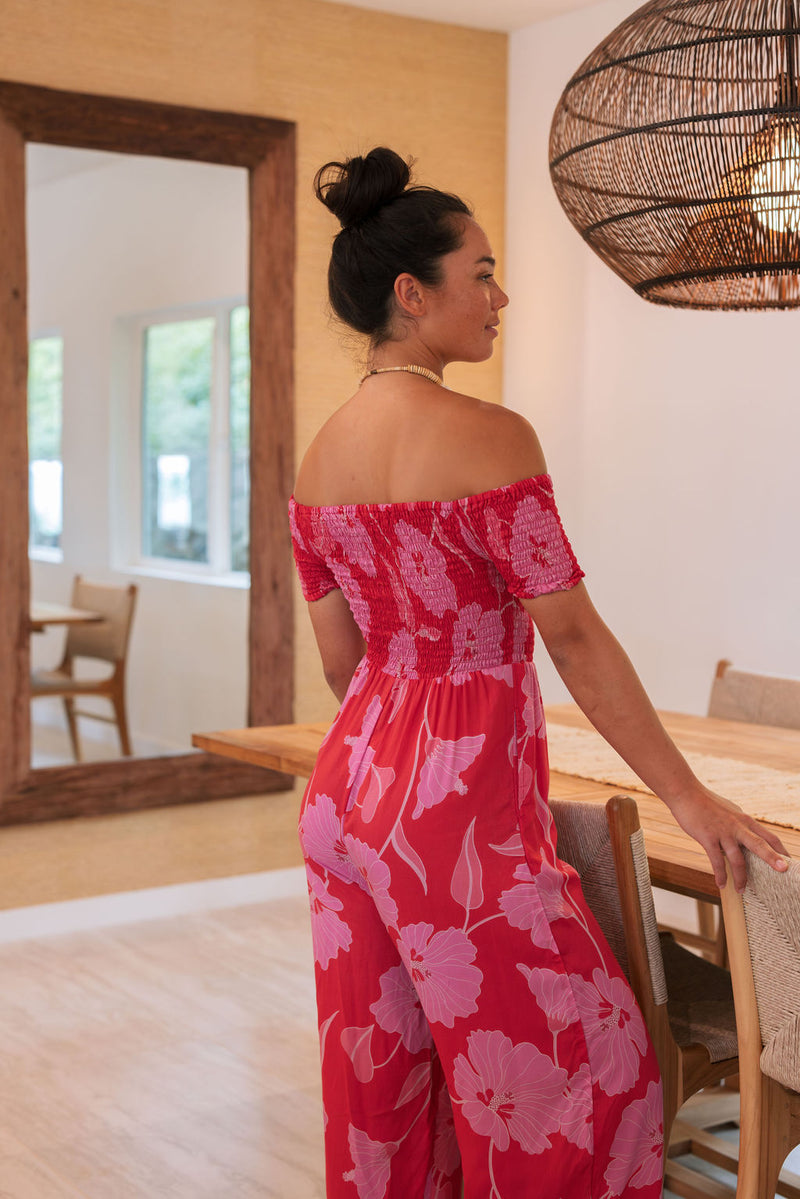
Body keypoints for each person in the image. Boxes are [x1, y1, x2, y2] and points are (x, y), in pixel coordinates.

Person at [288, 147, 788, 1199]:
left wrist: (395, 753)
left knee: (384, 1073)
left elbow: (343, 661)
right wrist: (689, 800)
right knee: (578, 1070)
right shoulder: (491, 436)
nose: (499, 294)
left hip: (347, 797)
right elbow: (572, 640)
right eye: (480, 273)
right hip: (454, 812)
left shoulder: (319, 457)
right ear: (410, 294)